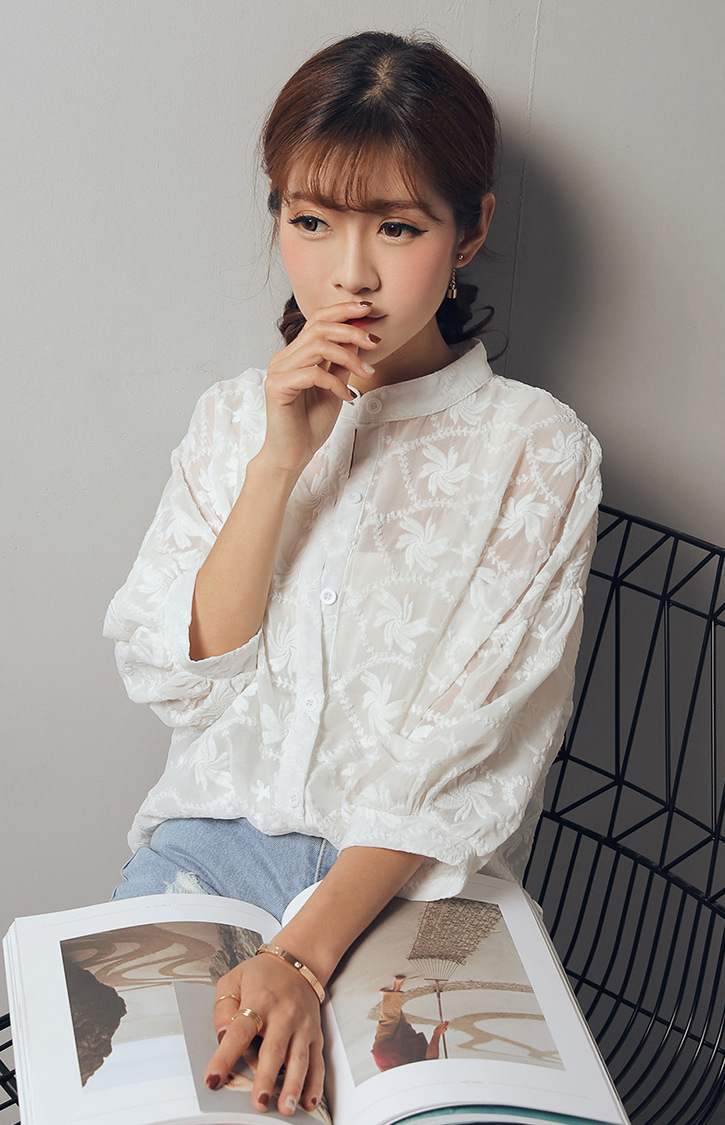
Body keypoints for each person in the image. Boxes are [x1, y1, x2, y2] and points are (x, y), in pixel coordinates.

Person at [104, 29, 601, 1118]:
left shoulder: (536, 449)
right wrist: (280, 462)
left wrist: (302, 955)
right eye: (312, 221)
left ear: (472, 230)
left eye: (399, 226)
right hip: (208, 857)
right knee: (151, 1105)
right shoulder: (231, 419)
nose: (351, 272)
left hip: (419, 884)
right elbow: (179, 681)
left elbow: (474, 752)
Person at [371, 974, 449, 1071]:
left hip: (393, 1053)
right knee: (394, 1020)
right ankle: (390, 995)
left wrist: (437, 1034)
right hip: (391, 1053)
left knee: (392, 1019)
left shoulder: (428, 1075)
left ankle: (394, 991)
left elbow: (431, 1058)